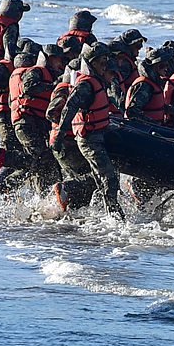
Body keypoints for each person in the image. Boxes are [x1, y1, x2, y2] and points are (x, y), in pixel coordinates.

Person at [52, 42, 124, 219]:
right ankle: (114, 217)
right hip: (88, 138)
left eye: (106, 62)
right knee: (109, 178)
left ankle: (104, 212)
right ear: (92, 63)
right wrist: (59, 135)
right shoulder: (85, 85)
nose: (105, 66)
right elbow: (69, 107)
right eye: (101, 62)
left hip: (96, 135)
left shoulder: (97, 83)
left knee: (100, 178)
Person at [10, 44, 64, 193]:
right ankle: (7, 163)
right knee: (40, 158)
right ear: (51, 59)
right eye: (59, 60)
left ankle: (42, 195)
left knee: (44, 160)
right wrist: (52, 86)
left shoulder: (50, 74)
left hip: (35, 122)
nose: (61, 65)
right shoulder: (37, 71)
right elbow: (28, 87)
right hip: (26, 121)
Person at [0, 38, 40, 181]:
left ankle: (7, 186)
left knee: (24, 158)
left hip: (16, 114)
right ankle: (5, 185)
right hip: (4, 116)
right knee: (18, 156)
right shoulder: (3, 67)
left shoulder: (22, 71)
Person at [124, 46, 174, 124]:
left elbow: (158, 106)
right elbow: (132, 111)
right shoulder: (145, 85)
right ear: (154, 65)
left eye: (167, 64)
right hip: (142, 131)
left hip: (153, 129)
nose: (166, 67)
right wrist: (151, 123)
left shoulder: (154, 82)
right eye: (162, 65)